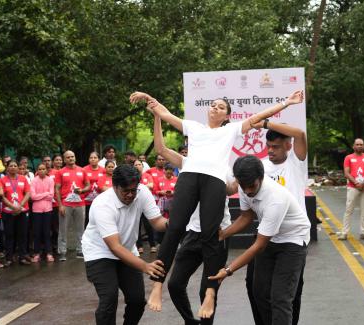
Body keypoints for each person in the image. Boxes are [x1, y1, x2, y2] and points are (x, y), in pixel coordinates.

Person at [130, 89, 304, 317]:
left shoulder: (230, 131)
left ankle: (210, 292)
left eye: (222, 107)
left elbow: (258, 117)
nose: (216, 108)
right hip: (191, 176)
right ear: (208, 110)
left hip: (213, 181)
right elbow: (164, 114)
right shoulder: (193, 128)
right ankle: (158, 284)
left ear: (227, 116)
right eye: (213, 105)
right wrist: (148, 98)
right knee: (174, 228)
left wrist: (286, 102)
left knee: (212, 235)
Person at [152, 113, 233, 324]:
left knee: (205, 291)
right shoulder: (187, 163)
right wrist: (157, 116)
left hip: (215, 235)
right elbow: (160, 149)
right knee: (175, 284)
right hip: (192, 235)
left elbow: (234, 187)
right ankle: (190, 321)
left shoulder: (225, 169)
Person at [209, 155, 310, 325]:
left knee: (280, 298)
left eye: (252, 186)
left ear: (261, 178)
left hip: (293, 240)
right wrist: (222, 234)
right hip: (271, 236)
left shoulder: (276, 198)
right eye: (243, 186)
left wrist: (227, 270)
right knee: (259, 292)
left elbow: (258, 246)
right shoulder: (245, 184)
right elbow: (246, 216)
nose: (248, 191)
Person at [81, 164, 168, 325]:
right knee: (109, 298)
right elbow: (114, 247)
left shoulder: (142, 192)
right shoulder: (103, 204)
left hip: (127, 250)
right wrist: (145, 266)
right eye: (125, 191)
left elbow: (157, 221)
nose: (130, 195)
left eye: (133, 190)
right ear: (115, 187)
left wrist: (172, 224)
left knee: (136, 300)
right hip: (99, 252)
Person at [246, 120, 308, 325]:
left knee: (289, 293)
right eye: (268, 146)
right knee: (256, 288)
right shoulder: (261, 167)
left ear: (288, 145)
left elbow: (299, 133)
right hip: (266, 236)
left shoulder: (296, 162)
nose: (270, 151)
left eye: (276, 146)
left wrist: (265, 123)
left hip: (293, 238)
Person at [55, 150, 90, 261]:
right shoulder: (60, 172)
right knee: (63, 229)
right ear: (64, 159)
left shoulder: (82, 170)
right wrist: (60, 205)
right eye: (68, 157)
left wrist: (82, 190)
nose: (71, 158)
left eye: (72, 156)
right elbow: (57, 189)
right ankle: (62, 252)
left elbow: (88, 185)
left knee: (80, 229)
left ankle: (80, 250)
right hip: (66, 204)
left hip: (80, 204)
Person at [338, 138, 364, 240]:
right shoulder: (348, 157)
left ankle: (363, 232)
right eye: (357, 144)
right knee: (349, 209)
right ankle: (344, 233)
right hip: (352, 187)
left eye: (361, 144)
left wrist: (363, 183)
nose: (359, 146)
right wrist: (356, 183)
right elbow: (346, 173)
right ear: (353, 146)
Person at [0, 160, 31, 266]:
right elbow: (2, 196)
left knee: (22, 234)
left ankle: (22, 257)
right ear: (7, 168)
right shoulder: (3, 180)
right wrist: (13, 207)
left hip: (22, 211)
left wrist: (20, 206)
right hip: (8, 211)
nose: (13, 167)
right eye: (11, 166)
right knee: (9, 235)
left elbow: (28, 193)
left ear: (18, 167)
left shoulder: (23, 178)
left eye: (15, 165)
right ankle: (9, 258)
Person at [30, 163, 55, 262]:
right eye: (40, 169)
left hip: (48, 209)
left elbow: (51, 195)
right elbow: (33, 197)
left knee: (47, 232)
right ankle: (37, 253)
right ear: (37, 170)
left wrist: (40, 195)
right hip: (36, 210)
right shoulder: (34, 181)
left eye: (43, 169)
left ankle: (49, 253)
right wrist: (45, 194)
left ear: (46, 170)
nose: (41, 171)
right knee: (37, 232)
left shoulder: (50, 180)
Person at [134, 160, 157, 254]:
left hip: (146, 204)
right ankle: (139, 246)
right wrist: (145, 186)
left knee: (148, 225)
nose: (137, 166)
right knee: (137, 225)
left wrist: (140, 187)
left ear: (142, 166)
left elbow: (151, 185)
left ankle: (152, 245)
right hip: (135, 204)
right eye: (135, 165)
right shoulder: (132, 176)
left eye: (139, 164)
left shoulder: (147, 175)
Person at [83, 152, 106, 228]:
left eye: (95, 158)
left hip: (100, 199)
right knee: (87, 218)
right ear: (89, 159)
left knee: (99, 218)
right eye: (91, 158)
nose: (93, 159)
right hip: (87, 199)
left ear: (98, 159)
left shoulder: (103, 170)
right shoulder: (84, 170)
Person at [49, 154, 63, 254]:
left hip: (58, 203)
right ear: (53, 162)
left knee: (57, 227)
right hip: (48, 203)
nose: (58, 162)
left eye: (60, 160)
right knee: (48, 227)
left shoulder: (63, 172)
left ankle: (56, 246)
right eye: (56, 160)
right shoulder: (47, 172)